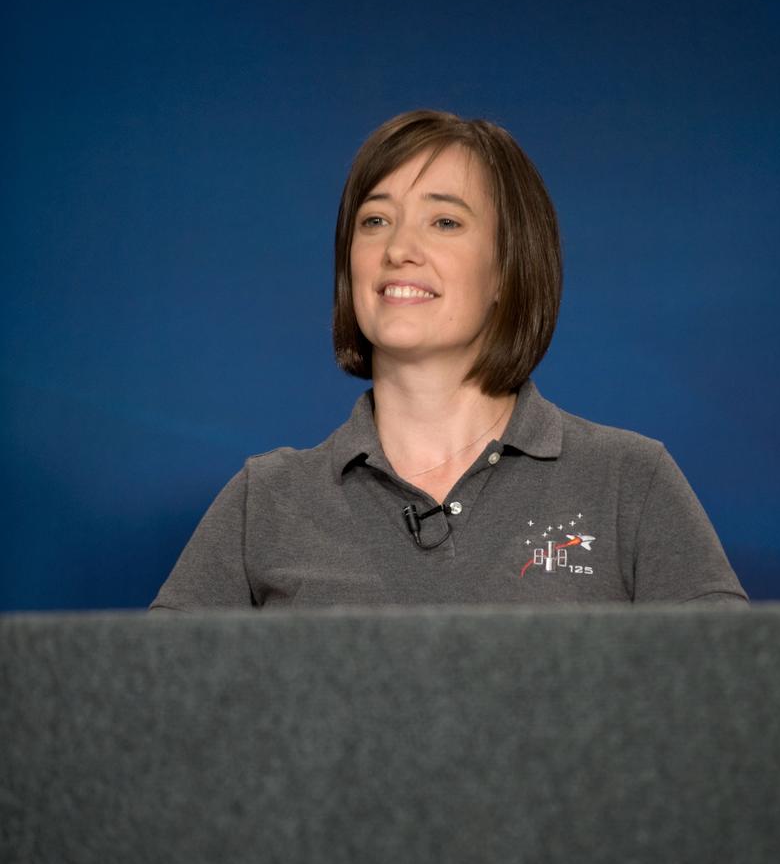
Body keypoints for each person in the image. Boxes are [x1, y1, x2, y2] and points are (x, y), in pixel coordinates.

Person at [151, 110, 747, 610]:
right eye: (376, 220)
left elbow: (735, 708)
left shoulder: (628, 482)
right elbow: (152, 711)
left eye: (444, 222)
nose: (399, 250)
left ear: (506, 271)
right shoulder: (268, 500)